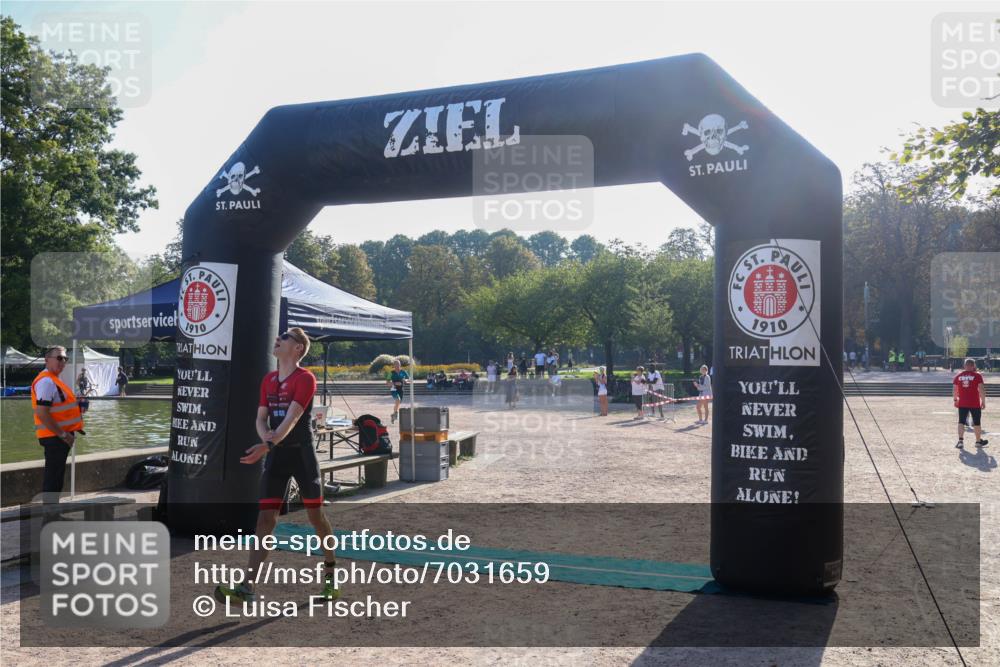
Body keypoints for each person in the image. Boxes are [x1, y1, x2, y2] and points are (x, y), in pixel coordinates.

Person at [214, 327, 338, 605]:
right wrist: (265, 437)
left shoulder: (305, 379)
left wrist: (268, 443)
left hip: (302, 455)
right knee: (264, 520)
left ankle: (330, 575)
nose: (278, 340)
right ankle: (247, 587)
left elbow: (292, 419)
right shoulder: (268, 380)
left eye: (285, 337)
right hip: (277, 456)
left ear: (297, 349)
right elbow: (261, 418)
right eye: (279, 336)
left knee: (316, 518)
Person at [31, 346, 86, 499]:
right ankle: (49, 518)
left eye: (65, 359)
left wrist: (78, 407)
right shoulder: (47, 381)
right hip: (55, 437)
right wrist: (63, 435)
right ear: (47, 360)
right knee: (53, 479)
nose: (63, 361)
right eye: (59, 358)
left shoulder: (54, 379)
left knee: (56, 477)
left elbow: (58, 407)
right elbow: (42, 412)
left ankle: (52, 516)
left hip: (58, 436)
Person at [953, 357, 988, 450]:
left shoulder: (958, 376)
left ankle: (960, 441)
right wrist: (983, 401)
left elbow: (955, 389)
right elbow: (981, 389)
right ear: (973, 366)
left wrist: (955, 400)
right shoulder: (977, 375)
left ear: (964, 366)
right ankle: (978, 442)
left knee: (961, 421)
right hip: (974, 403)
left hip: (962, 403)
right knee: (977, 422)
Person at [386, 358, 408, 423]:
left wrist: (405, 380)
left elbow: (409, 379)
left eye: (398, 365)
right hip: (394, 389)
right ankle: (396, 413)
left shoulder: (403, 372)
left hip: (401, 389)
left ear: (400, 365)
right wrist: (395, 383)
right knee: (397, 400)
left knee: (398, 403)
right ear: (394, 365)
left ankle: (393, 414)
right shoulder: (391, 373)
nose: (397, 366)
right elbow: (387, 382)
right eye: (395, 365)